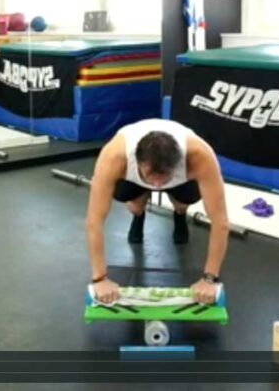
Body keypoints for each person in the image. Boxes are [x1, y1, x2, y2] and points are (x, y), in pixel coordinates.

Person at [85, 118, 228, 305]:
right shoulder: (114, 157)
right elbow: (94, 221)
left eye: (164, 178)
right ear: (137, 162)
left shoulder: (200, 157)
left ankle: (179, 212)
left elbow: (220, 222)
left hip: (179, 180)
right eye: (151, 177)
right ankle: (139, 212)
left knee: (182, 203)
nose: (157, 185)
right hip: (134, 179)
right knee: (135, 207)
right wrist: (99, 279)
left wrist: (210, 279)